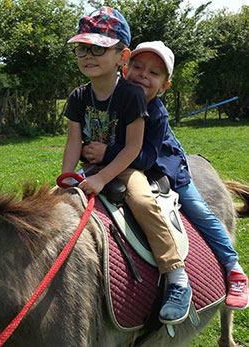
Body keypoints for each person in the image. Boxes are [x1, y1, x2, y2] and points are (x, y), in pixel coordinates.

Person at [83, 40, 248, 310]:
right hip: (125, 165)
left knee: (199, 211)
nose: (143, 75)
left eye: (154, 73)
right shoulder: (117, 99)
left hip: (164, 166)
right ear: (125, 70)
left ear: (164, 86)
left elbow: (147, 157)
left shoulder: (156, 112)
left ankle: (234, 268)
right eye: (137, 67)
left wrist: (106, 153)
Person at [62, 7, 192, 324]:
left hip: (126, 165)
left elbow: (134, 148)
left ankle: (176, 276)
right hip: (91, 169)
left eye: (99, 48)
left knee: (142, 201)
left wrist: (104, 176)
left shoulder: (131, 95)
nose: (88, 55)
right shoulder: (78, 97)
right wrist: (66, 178)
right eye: (82, 48)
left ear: (123, 55)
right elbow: (73, 143)